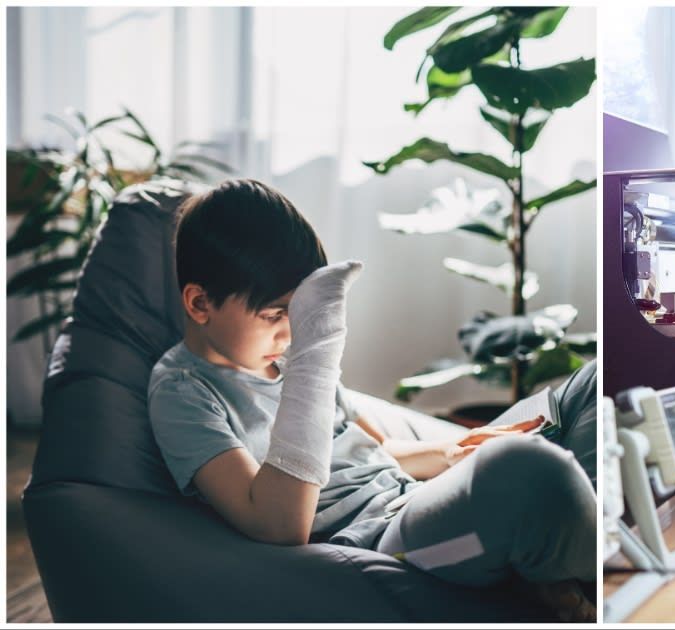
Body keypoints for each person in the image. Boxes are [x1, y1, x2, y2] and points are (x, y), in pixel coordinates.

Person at [147, 179, 596, 621]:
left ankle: (554, 551)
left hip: (416, 497)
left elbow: (378, 450)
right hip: (392, 544)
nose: (293, 333)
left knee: (593, 382)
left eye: (301, 315)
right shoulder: (184, 391)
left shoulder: (288, 363)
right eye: (275, 315)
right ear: (200, 303)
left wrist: (455, 451)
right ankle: (569, 554)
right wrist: (314, 358)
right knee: (529, 470)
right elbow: (278, 524)